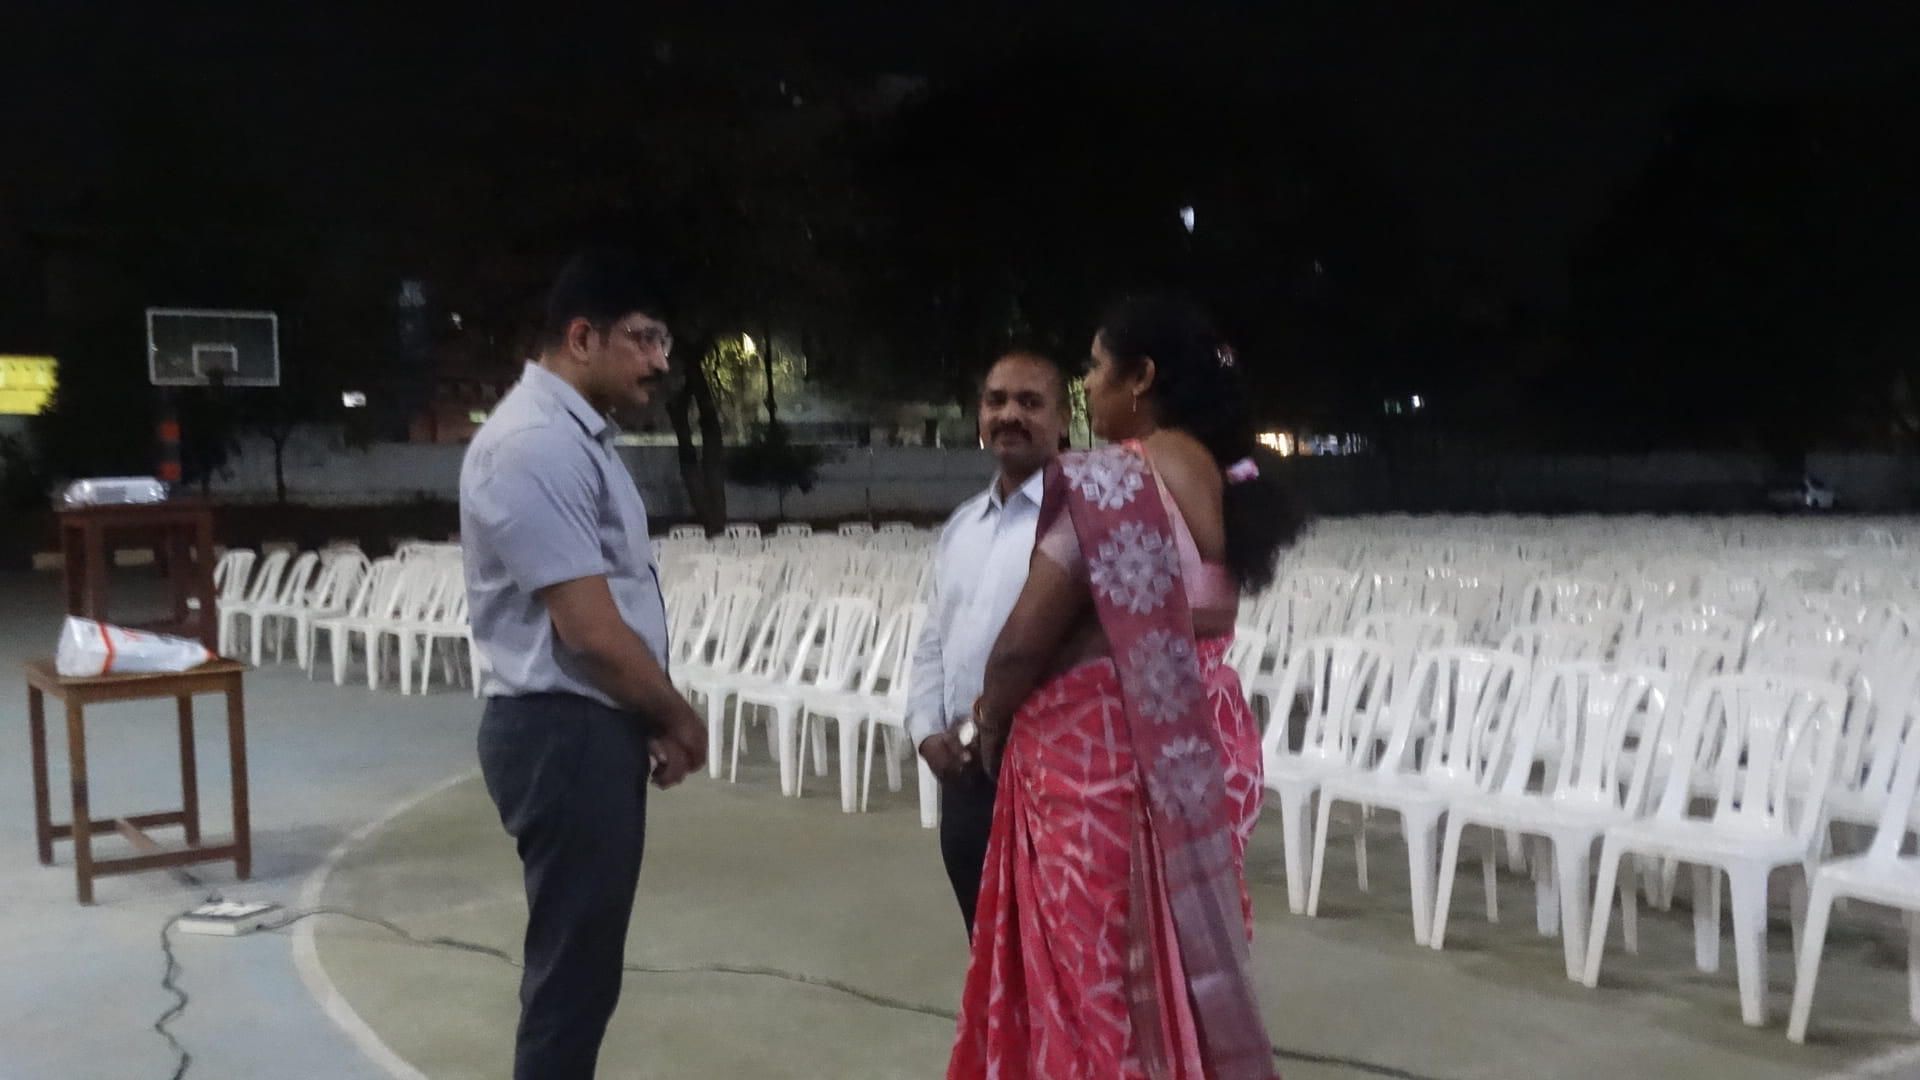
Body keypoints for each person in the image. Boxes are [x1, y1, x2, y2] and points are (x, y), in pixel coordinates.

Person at [948, 295, 1305, 1080]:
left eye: (1095, 366)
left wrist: (989, 722)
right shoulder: (1216, 477)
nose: (1087, 384)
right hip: (1201, 757)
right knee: (1176, 977)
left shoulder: (1111, 481)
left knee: (1096, 993)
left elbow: (1022, 644)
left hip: (1100, 775)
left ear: (1139, 378)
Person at [459, 248, 709, 1080]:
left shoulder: (576, 439)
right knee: (572, 979)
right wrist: (677, 715)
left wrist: (645, 715)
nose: (660, 361)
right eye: (643, 339)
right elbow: (590, 632)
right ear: (580, 337)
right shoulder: (534, 445)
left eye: (665, 341)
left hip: (584, 723)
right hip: (562, 729)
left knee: (582, 970)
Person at [909, 349, 1071, 936]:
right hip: (967, 779)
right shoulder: (964, 525)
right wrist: (926, 731)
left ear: (1064, 419)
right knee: (986, 954)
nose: (1009, 415)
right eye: (995, 401)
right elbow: (935, 637)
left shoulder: (1078, 522)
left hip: (1049, 781)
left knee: (1052, 957)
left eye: (1030, 402)